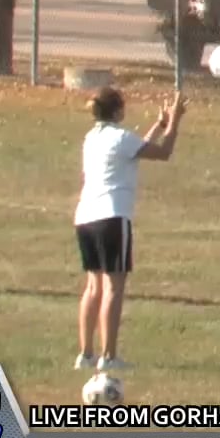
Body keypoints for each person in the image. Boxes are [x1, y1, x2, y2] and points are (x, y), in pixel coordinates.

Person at [73, 87, 187, 371]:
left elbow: (135, 151)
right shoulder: (120, 137)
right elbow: (163, 152)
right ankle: (109, 357)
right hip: (112, 216)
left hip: (86, 217)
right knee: (114, 287)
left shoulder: (93, 138)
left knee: (93, 286)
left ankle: (86, 354)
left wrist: (158, 125)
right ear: (118, 111)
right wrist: (175, 121)